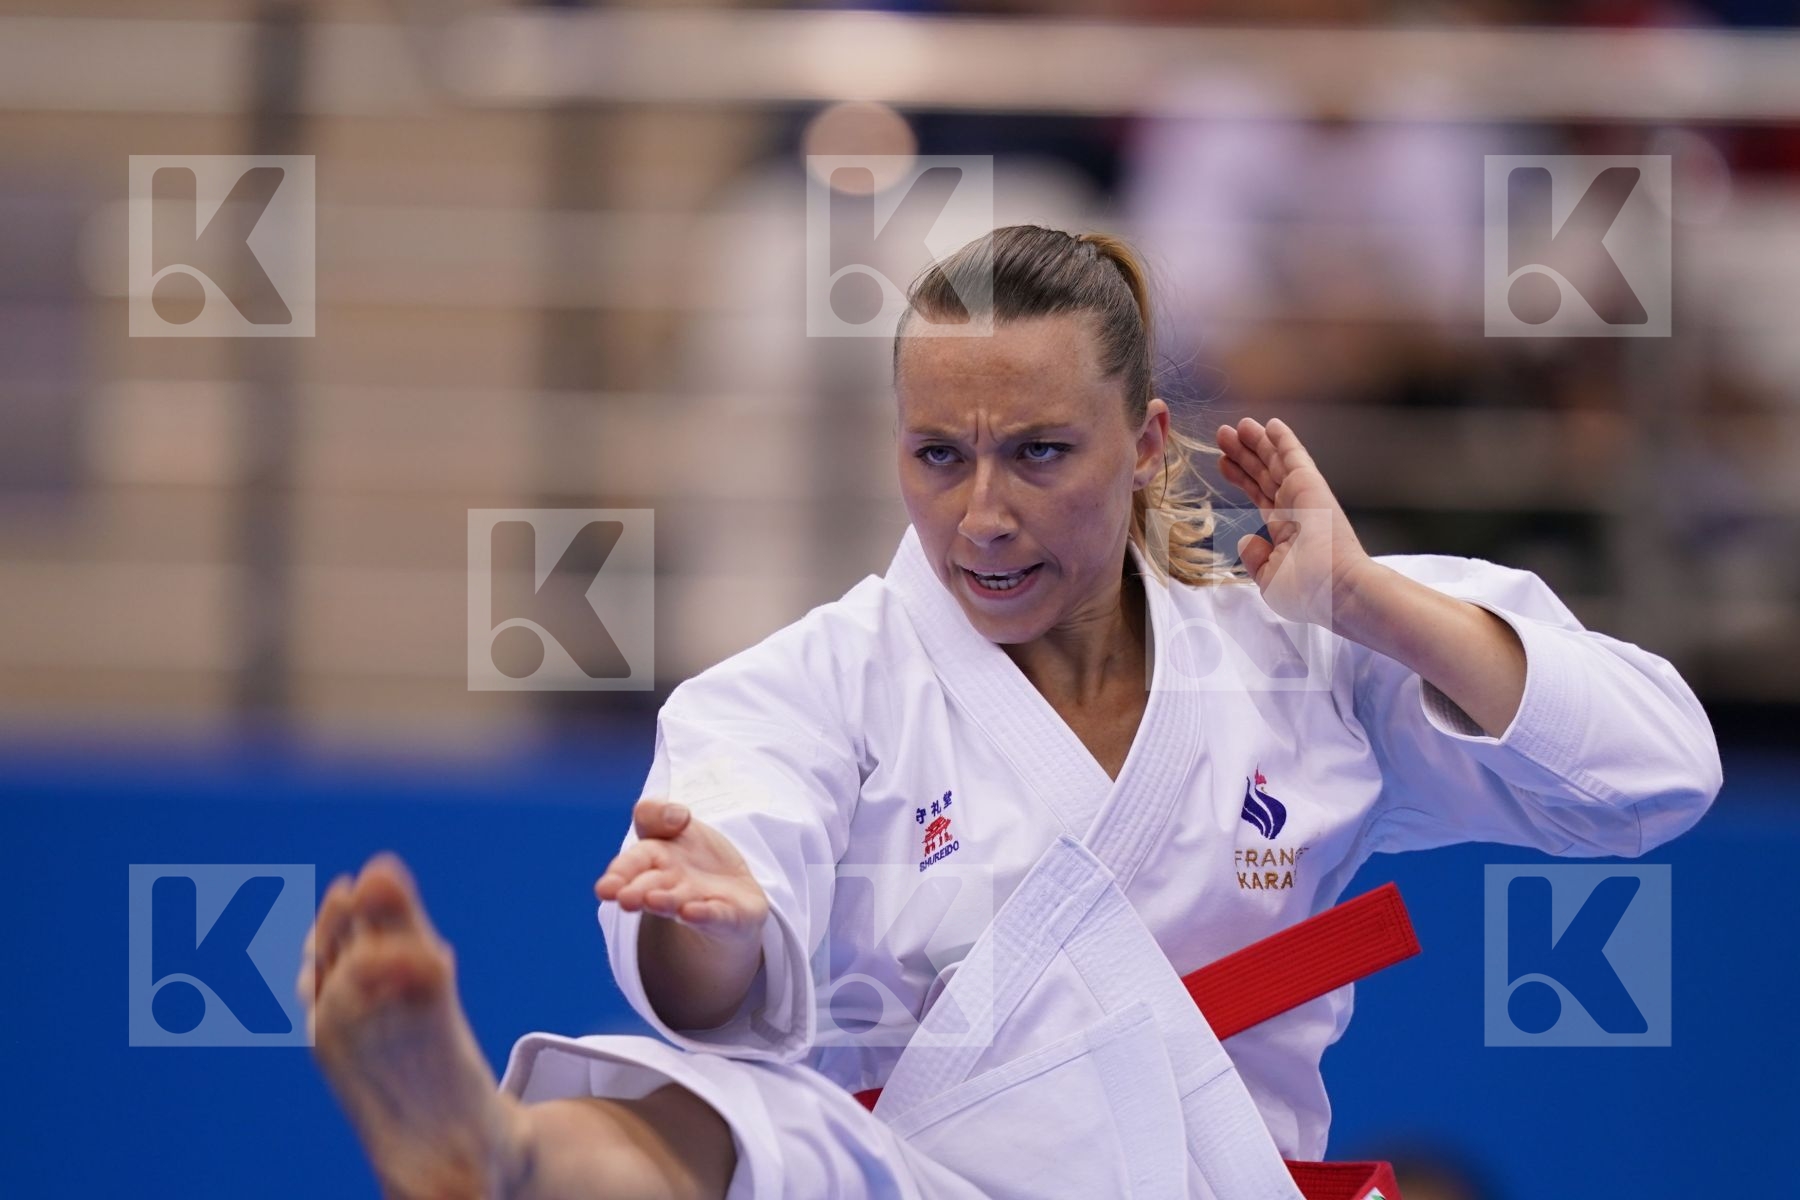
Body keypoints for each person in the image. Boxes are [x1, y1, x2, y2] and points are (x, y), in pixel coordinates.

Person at [300, 225, 1723, 1199]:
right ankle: (492, 1152)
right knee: (748, 1129)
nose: (981, 514)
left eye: (1040, 453)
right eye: (938, 455)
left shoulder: (1298, 655)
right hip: (931, 1184)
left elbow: (1659, 774)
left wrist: (1369, 605)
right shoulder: (820, 683)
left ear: (1147, 441)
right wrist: (710, 924)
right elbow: (710, 941)